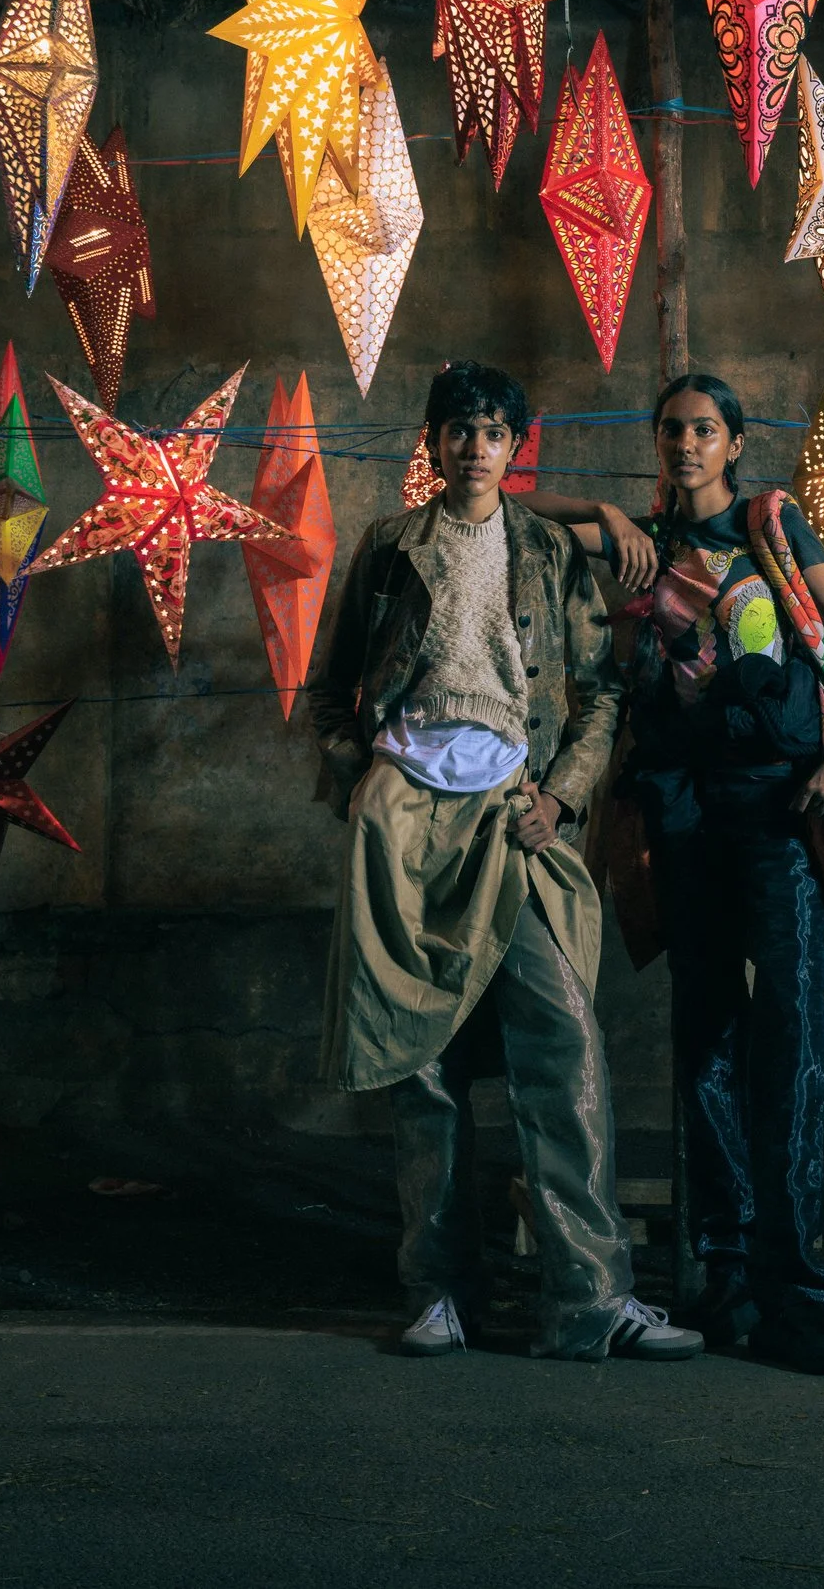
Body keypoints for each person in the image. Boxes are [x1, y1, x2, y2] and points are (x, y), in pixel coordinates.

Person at [308, 360, 702, 1363]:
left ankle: (591, 1300)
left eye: (492, 431)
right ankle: (439, 1293)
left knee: (561, 1051)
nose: (474, 447)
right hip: (404, 828)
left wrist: (563, 793)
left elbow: (602, 692)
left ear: (513, 446)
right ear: (432, 445)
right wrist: (357, 778)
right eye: (457, 430)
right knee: (424, 1070)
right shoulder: (389, 549)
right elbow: (329, 690)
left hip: (512, 822)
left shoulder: (543, 547)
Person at [532, 375, 824, 1375]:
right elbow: (503, 511)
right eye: (670, 430)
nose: (684, 443)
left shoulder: (774, 526)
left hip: (781, 810)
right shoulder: (637, 544)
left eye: (703, 429)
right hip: (681, 815)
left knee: (790, 1034)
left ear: (733, 444)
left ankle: (799, 1296)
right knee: (704, 1043)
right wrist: (602, 512)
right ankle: (725, 1276)